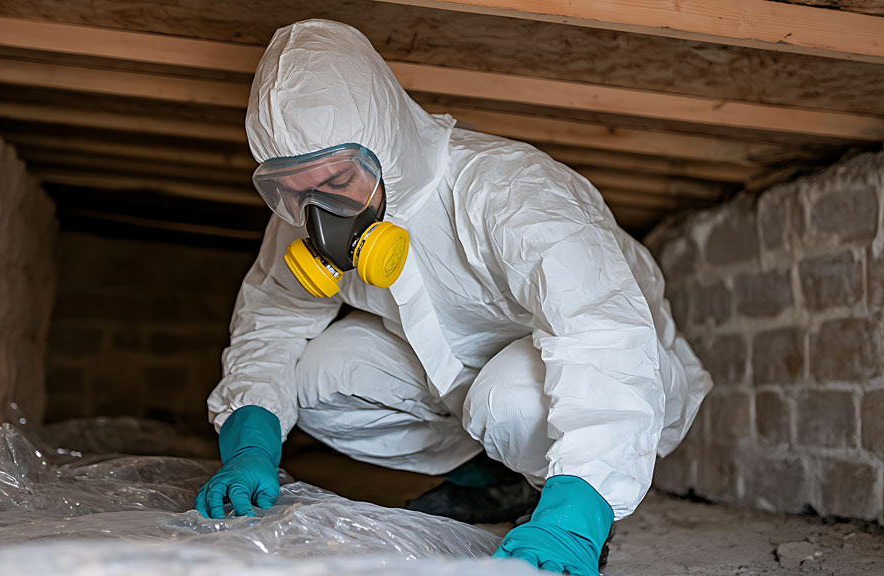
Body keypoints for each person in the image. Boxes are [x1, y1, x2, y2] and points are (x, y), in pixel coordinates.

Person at [196, 19, 712, 576]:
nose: (319, 215)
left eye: (338, 183)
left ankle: (565, 499)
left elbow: (599, 333)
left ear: (383, 140)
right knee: (315, 376)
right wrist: (249, 441)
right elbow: (271, 322)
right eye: (293, 191)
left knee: (509, 398)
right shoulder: (303, 215)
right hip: (458, 376)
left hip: (613, 370)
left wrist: (579, 513)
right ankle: (491, 481)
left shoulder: (511, 190)